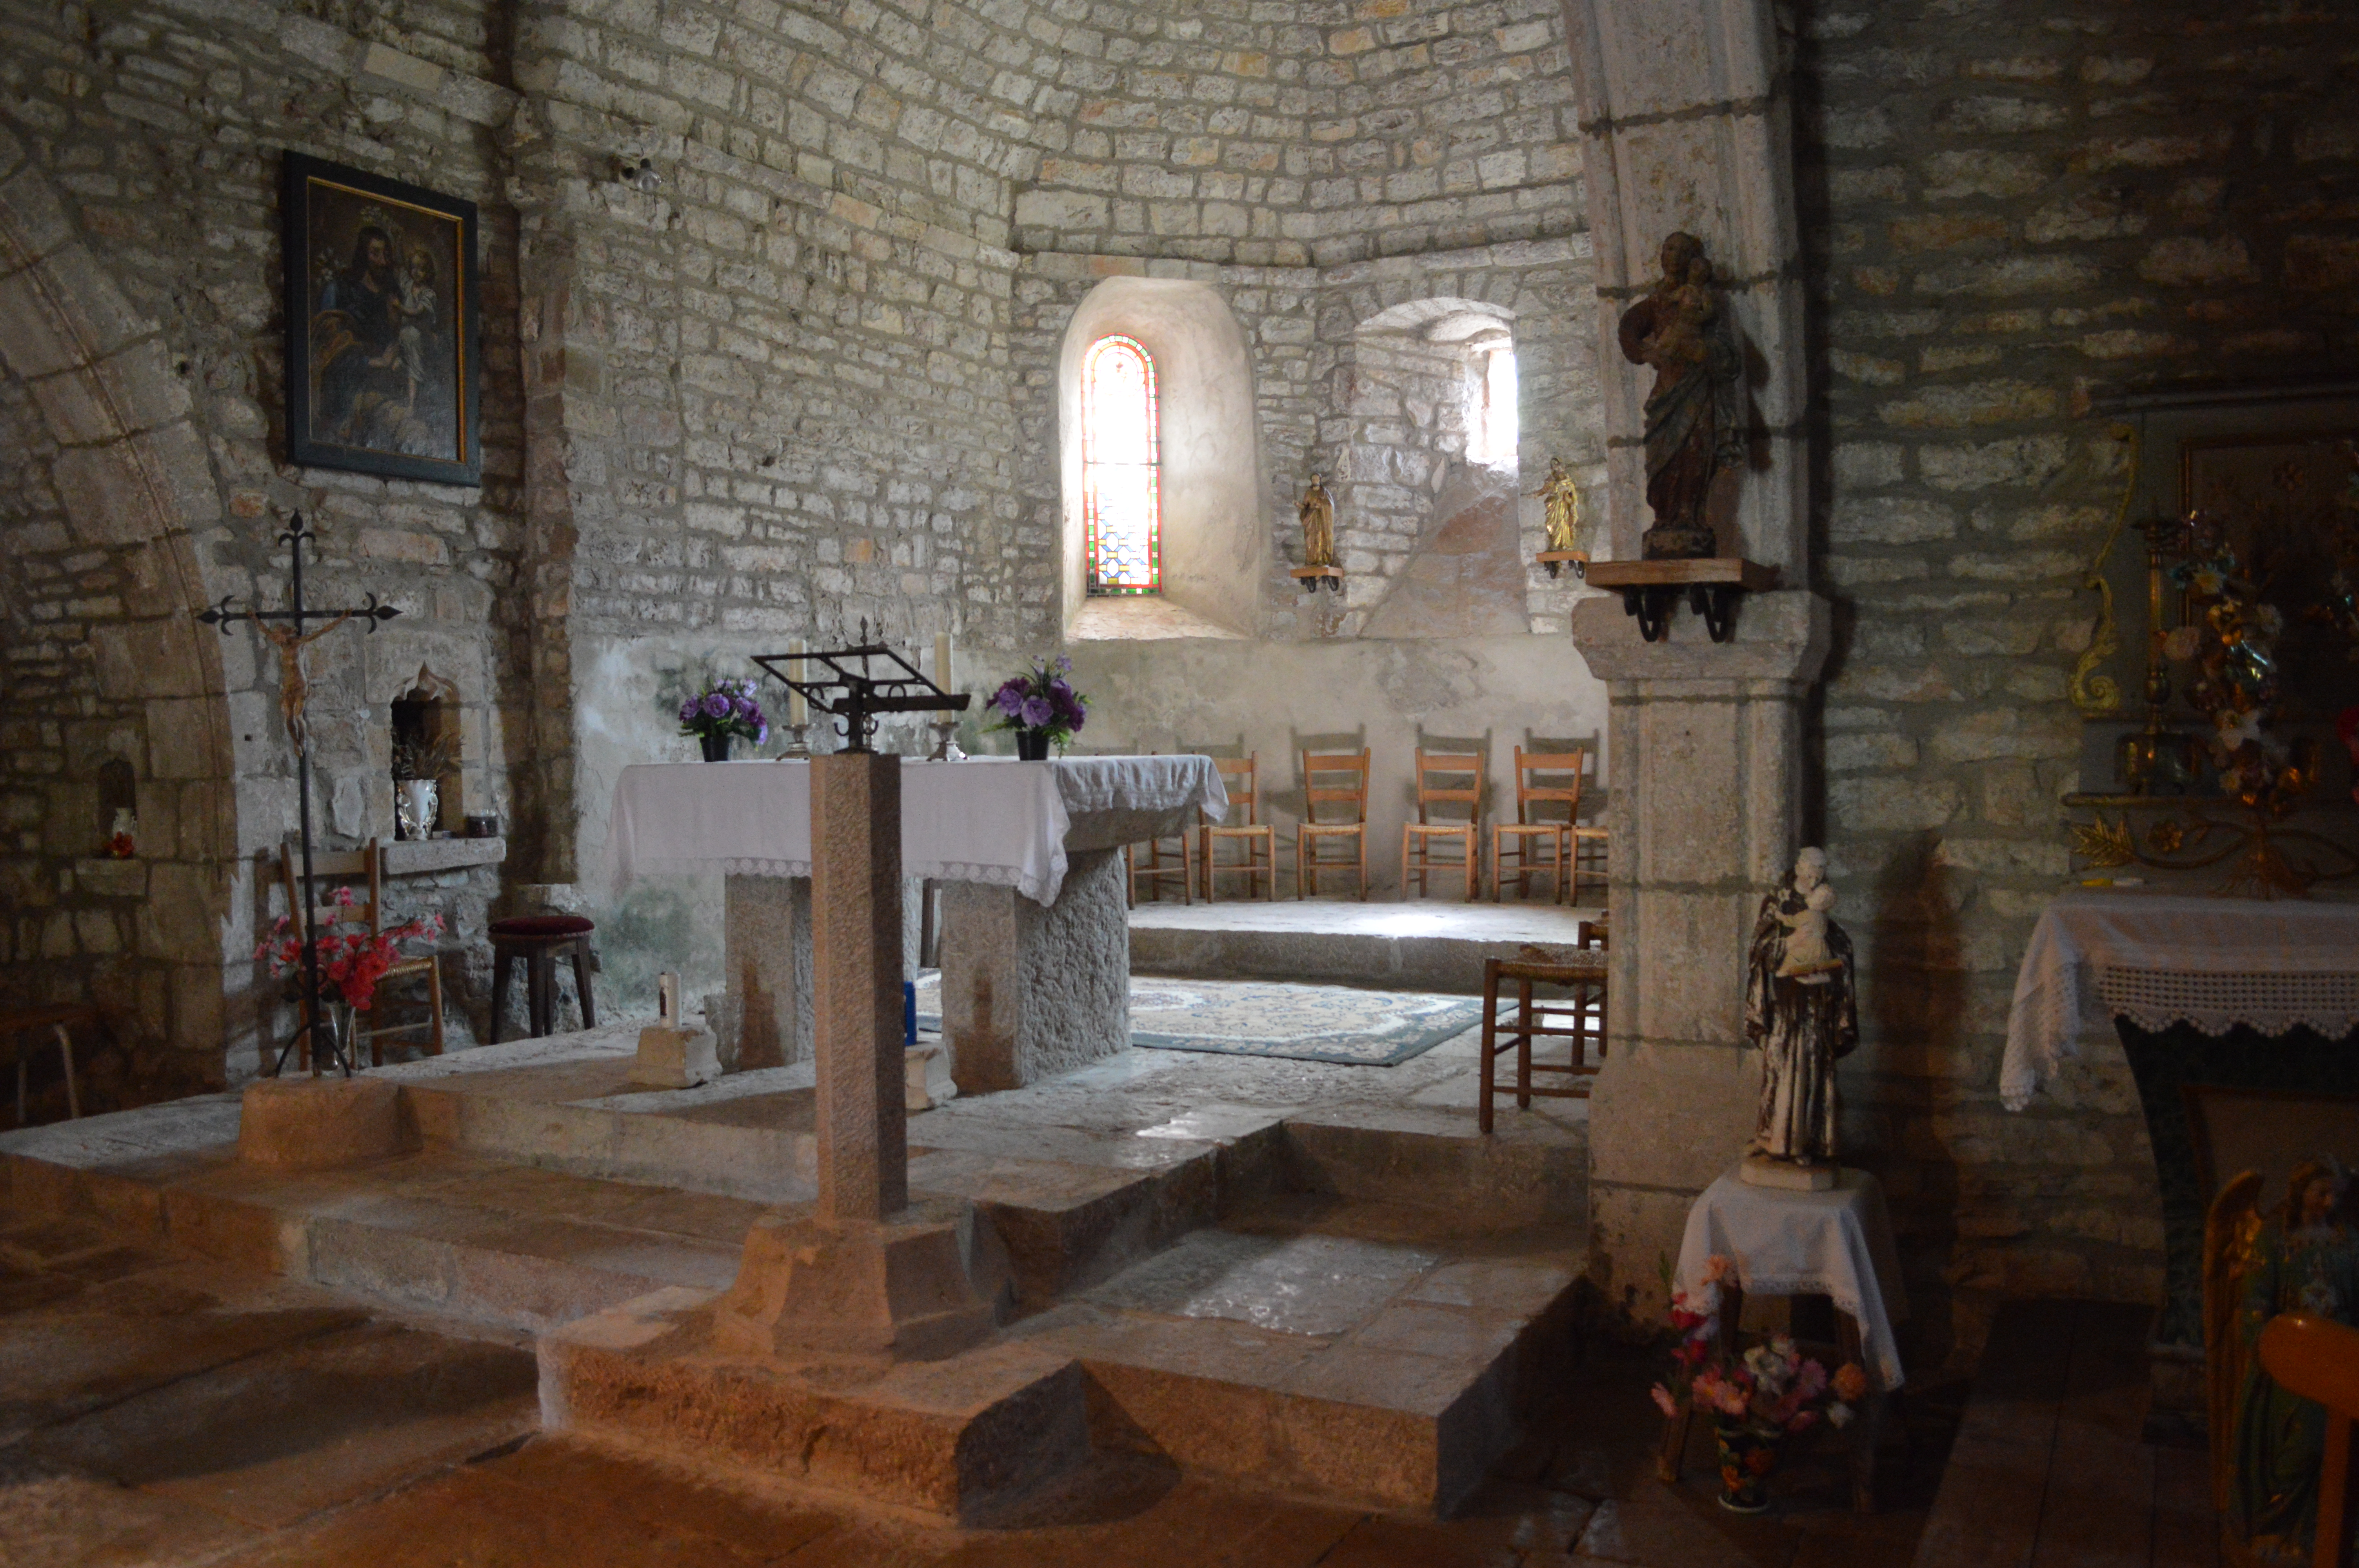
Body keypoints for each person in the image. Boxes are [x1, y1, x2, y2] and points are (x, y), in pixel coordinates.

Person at [2233, 1161, 2359, 1561]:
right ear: (2301, 1191)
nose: (2329, 1201)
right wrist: (2265, 1345)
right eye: (2321, 1192)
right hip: (2290, 1362)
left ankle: (2319, 1534)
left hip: (2340, 1359)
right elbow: (2256, 1299)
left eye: (2336, 1194)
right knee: (2302, 1444)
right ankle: (2276, 1527)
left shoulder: (2349, 1240)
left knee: (2337, 1448)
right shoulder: (2275, 1239)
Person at [1616, 232, 1747, 560]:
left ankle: (1691, 516)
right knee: (1661, 453)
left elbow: (1730, 357)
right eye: (1667, 249)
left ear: (1692, 260)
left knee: (1695, 449)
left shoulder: (1703, 300)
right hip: (1667, 391)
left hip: (1697, 388)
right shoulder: (1658, 301)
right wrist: (1646, 354)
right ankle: (1665, 517)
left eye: (1680, 250)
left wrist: (1703, 351)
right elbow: (1629, 327)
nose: (1671, 255)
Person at [1744, 848, 1858, 1166]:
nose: (1816, 874)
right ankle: (1774, 1137)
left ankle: (1808, 1140)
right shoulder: (1779, 902)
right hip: (1786, 998)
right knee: (1782, 1062)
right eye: (1811, 867)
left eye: (1821, 869)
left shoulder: (1822, 901)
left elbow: (1839, 945)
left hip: (1818, 999)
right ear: (1798, 867)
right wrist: (1791, 942)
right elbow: (1760, 948)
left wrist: (1833, 957)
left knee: (1814, 1063)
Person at [1534, 457, 1581, 554]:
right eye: (1553, 465)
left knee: (1562, 522)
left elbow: (1572, 491)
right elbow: (1544, 490)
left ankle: (1564, 544)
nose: (1556, 467)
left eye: (1557, 464)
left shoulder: (1566, 479)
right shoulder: (1551, 479)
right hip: (1552, 504)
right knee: (1552, 523)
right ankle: (1554, 544)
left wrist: (1566, 489)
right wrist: (1537, 494)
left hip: (1562, 503)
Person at [1299, 474, 1336, 570]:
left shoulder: (1324, 493)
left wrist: (1320, 506)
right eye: (1313, 479)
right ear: (1311, 481)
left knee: (1321, 537)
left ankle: (1322, 560)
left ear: (1320, 480)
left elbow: (1330, 506)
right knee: (1310, 539)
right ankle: (1311, 561)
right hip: (1311, 519)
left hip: (1322, 520)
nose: (1315, 480)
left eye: (1317, 479)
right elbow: (1305, 507)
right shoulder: (1309, 493)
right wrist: (1298, 505)